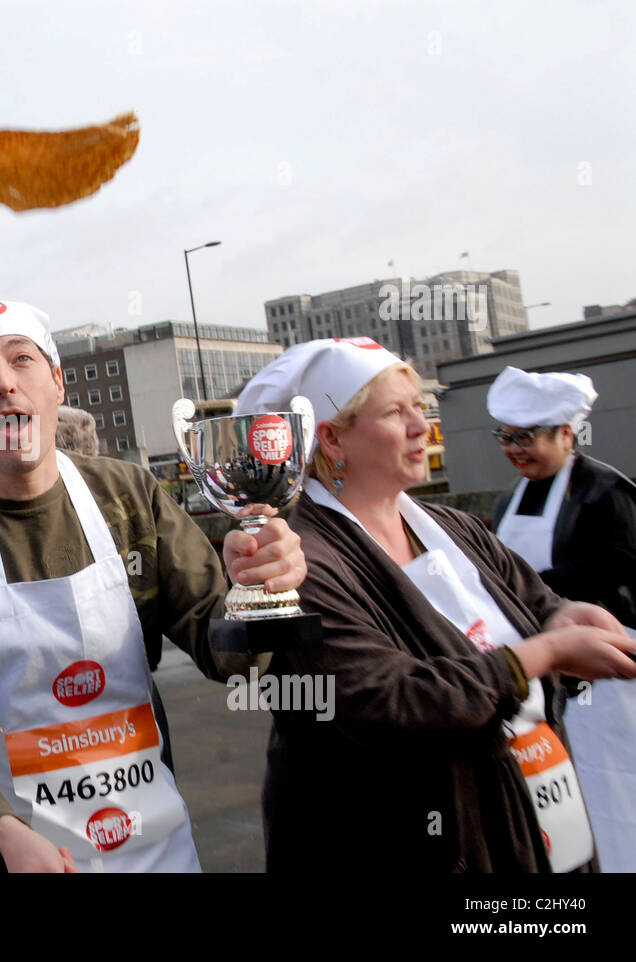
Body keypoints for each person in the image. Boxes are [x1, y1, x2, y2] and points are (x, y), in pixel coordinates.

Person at [0, 299, 306, 873]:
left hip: (159, 850)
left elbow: (223, 648)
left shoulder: (128, 495)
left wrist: (261, 594)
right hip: (14, 855)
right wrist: (1, 834)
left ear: (56, 383)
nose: (4, 384)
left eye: (21, 360)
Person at [235, 337, 636, 872]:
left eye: (419, 408)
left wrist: (566, 616)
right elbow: (395, 702)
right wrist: (548, 652)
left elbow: (537, 604)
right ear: (332, 439)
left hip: (521, 824)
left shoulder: (454, 528)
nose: (423, 426)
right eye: (396, 412)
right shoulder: (298, 563)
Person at [487, 366, 636, 871]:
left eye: (526, 437)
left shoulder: (605, 492)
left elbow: (621, 566)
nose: (514, 448)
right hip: (547, 667)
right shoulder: (509, 497)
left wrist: (537, 589)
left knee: (616, 776)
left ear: (566, 434)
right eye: (506, 437)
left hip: (609, 668)